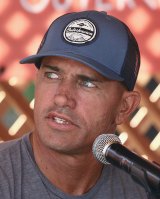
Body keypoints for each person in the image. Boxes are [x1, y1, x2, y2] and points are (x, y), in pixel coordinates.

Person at [0, 10, 148, 199]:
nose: (62, 98)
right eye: (52, 75)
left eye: (87, 82)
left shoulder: (142, 189)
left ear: (125, 106)